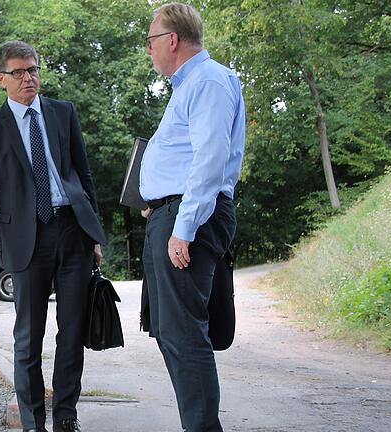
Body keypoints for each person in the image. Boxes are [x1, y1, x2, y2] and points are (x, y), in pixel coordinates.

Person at [0, 41, 107, 432]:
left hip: (72, 232)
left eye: (33, 70)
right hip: (24, 241)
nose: (28, 78)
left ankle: (65, 416)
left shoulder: (63, 113)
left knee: (72, 331)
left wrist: (93, 232)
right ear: (1, 79)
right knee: (28, 338)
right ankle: (33, 423)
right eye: (19, 72)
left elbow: (84, 175)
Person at [140, 3, 245, 431]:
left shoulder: (208, 80)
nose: (148, 51)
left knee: (184, 333)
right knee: (168, 331)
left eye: (150, 41)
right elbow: (186, 157)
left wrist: (183, 226)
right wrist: (156, 200)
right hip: (171, 213)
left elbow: (210, 159)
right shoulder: (189, 86)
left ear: (171, 40)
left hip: (190, 218)